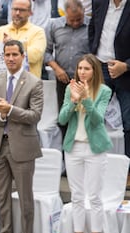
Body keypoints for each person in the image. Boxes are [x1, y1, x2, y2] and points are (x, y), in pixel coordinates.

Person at [0, 39, 43, 233]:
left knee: (25, 196)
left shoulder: (34, 83)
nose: (10, 59)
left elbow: (34, 116)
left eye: (14, 55)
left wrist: (10, 110)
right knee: (2, 195)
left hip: (23, 146)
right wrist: (0, 115)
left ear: (22, 56)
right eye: (7, 55)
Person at [58, 54, 113, 233]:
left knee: (96, 197)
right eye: (80, 68)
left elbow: (98, 120)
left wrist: (86, 99)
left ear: (95, 71)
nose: (82, 72)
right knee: (77, 197)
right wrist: (73, 100)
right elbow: (62, 119)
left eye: (86, 69)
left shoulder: (104, 91)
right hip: (73, 149)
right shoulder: (70, 88)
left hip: (94, 148)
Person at [89, 0, 130, 186]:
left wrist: (126, 65)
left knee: (129, 124)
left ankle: (128, 172)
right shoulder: (99, 2)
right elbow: (93, 29)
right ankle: (92, 168)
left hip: (125, 70)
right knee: (92, 118)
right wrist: (93, 58)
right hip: (100, 67)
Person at [45, 0, 89, 138]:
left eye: (79, 20)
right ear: (65, 15)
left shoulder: (92, 25)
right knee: (64, 117)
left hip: (86, 80)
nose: (76, 23)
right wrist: (57, 69)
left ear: (84, 13)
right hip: (63, 79)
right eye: (72, 20)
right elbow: (46, 52)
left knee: (84, 117)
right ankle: (66, 153)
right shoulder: (54, 25)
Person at [0, 0, 46, 78]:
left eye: (22, 10)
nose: (17, 13)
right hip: (4, 83)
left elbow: (34, 56)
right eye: (15, 9)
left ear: (30, 12)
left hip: (29, 85)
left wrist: (12, 43)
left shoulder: (38, 32)